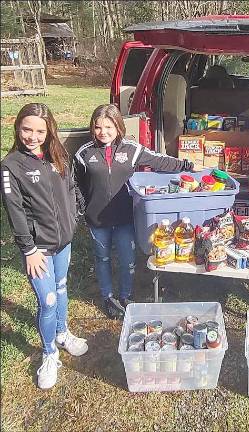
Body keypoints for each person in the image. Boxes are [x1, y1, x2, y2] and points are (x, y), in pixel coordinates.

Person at [73, 104, 196, 319]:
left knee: (127, 259)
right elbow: (75, 183)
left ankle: (125, 296)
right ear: (92, 128)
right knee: (102, 258)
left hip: (125, 218)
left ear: (118, 126)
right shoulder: (84, 153)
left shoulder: (131, 149)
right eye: (98, 127)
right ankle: (107, 297)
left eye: (109, 127)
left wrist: (186, 164)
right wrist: (83, 207)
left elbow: (159, 160)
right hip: (97, 220)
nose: (103, 132)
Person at [1, 103, 88, 390]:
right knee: (47, 300)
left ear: (49, 130)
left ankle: (63, 334)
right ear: (18, 128)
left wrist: (74, 216)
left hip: (64, 241)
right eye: (27, 129)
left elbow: (72, 187)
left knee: (61, 288)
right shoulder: (11, 166)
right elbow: (14, 212)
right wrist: (28, 249)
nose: (33, 136)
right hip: (38, 249)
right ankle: (49, 354)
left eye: (40, 130)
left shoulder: (58, 155)